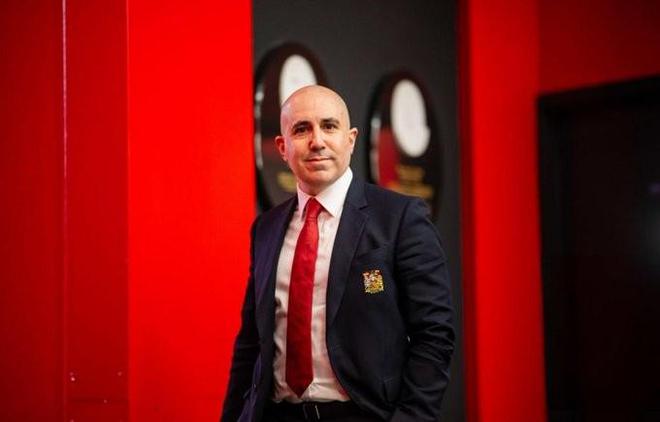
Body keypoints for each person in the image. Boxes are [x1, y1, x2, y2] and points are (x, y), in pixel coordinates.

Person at [222, 85, 454, 422]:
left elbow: (434, 334)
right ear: (283, 147)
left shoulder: (400, 217)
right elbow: (251, 343)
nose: (317, 141)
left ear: (351, 139)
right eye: (302, 129)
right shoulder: (266, 228)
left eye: (329, 126)